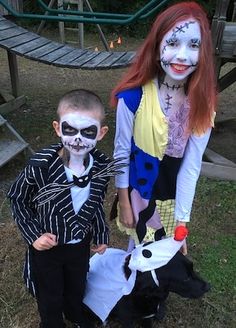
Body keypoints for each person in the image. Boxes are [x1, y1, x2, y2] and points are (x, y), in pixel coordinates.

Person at [8, 89, 122, 328]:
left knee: (77, 284)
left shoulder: (101, 168)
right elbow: (17, 198)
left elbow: (95, 204)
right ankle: (52, 323)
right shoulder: (40, 166)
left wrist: (100, 234)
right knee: (49, 293)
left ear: (101, 133)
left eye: (87, 131)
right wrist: (34, 235)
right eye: (70, 130)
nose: (78, 138)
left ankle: (75, 313)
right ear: (58, 128)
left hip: (79, 244)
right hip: (48, 246)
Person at [110, 1, 217, 253]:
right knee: (136, 254)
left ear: (203, 53)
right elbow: (121, 152)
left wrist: (182, 222)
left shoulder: (203, 103)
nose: (182, 55)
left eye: (193, 45)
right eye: (173, 43)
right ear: (157, 48)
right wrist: (124, 201)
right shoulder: (132, 97)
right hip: (139, 194)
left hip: (171, 196)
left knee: (164, 256)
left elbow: (191, 165)